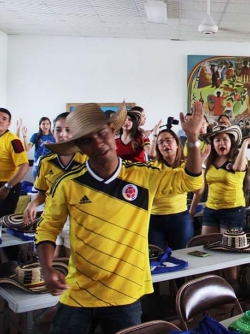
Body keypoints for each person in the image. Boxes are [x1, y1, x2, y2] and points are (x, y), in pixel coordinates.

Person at [35, 102, 205, 333]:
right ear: (80, 148)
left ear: (112, 133)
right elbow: (48, 228)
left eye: (101, 133)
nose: (97, 143)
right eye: (87, 140)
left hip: (125, 291)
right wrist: (46, 268)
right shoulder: (67, 184)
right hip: (78, 290)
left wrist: (193, 139)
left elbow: (191, 181)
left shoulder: (143, 177)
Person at [23, 112, 88, 258]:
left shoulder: (86, 159)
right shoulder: (46, 160)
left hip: (77, 220)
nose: (63, 134)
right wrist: (32, 205)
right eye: (58, 130)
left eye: (68, 129)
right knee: (53, 262)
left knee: (71, 264)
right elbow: (41, 193)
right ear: (53, 132)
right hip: (52, 219)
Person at [149, 129, 205, 250]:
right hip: (155, 217)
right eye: (160, 142)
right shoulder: (152, 168)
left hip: (179, 218)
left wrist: (199, 166)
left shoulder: (187, 166)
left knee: (182, 255)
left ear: (177, 144)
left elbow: (198, 190)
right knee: (155, 257)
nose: (165, 144)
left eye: (168, 140)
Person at [201, 125, 250, 234]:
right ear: (213, 144)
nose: (221, 143)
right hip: (210, 208)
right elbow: (201, 185)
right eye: (217, 140)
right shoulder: (208, 161)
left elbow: (238, 168)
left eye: (225, 139)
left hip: (232, 209)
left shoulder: (238, 159)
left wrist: (245, 143)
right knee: (206, 244)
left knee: (227, 246)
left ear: (231, 142)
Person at [0, 108, 29, 222]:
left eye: (4, 119)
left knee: (0, 227)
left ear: (8, 124)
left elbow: (24, 165)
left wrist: (7, 187)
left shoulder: (13, 140)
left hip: (5, 189)